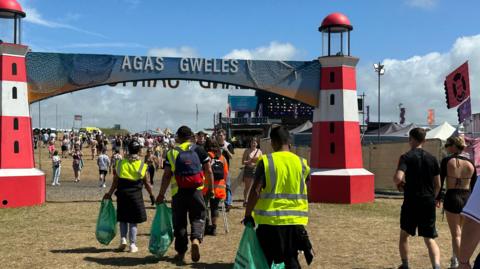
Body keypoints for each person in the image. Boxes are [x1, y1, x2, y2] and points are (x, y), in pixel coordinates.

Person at [243, 126, 312, 269]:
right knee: (291, 258)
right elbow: (307, 187)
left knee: (264, 261)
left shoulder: (267, 161)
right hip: (295, 222)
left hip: (270, 222)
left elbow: (256, 191)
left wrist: (248, 214)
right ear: (289, 142)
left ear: (273, 143)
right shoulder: (302, 163)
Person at [156, 126, 213, 264]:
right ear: (191, 137)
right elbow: (209, 170)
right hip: (196, 191)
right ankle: (195, 240)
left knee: (180, 223)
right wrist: (210, 189)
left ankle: (181, 253)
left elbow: (167, 175)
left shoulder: (172, 153)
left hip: (178, 193)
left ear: (179, 138)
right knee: (198, 217)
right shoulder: (199, 150)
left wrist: (161, 194)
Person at [393, 128, 442, 269]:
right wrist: (432, 198)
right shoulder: (432, 159)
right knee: (429, 238)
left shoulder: (406, 157)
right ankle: (436, 266)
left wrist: (400, 183)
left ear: (410, 139)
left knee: (404, 235)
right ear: (424, 140)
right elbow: (438, 185)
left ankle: (405, 265)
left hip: (411, 201)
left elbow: (398, 178)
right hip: (428, 201)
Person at [103, 140, 155, 253]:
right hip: (135, 195)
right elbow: (147, 183)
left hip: (122, 194)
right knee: (133, 220)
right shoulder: (142, 165)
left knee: (123, 218)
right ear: (139, 150)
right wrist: (152, 195)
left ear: (128, 150)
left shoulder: (121, 163)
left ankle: (122, 239)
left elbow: (115, 181)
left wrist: (109, 193)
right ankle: (132, 244)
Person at [438, 136, 477, 268]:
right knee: (461, 232)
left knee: (456, 234)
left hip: (452, 196)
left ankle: (458, 262)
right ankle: (458, 259)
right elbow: (474, 184)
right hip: (467, 197)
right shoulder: (470, 163)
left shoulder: (447, 161)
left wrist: (437, 197)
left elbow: (440, 180)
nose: (446, 148)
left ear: (454, 146)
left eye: (448, 145)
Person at [202, 138, 228, 236]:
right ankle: (214, 228)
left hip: (206, 186)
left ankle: (206, 226)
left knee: (204, 207)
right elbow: (225, 173)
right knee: (215, 207)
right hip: (219, 188)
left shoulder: (204, 157)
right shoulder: (222, 158)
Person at [458, 175, 480, 269]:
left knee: (455, 231)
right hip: (464, 194)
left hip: (453, 195)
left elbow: (473, 222)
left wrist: (463, 262)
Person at [216, 129, 234, 210]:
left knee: (227, 186)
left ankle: (228, 203)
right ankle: (216, 202)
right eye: (219, 135)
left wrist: (226, 150)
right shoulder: (215, 144)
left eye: (222, 135)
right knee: (216, 186)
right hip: (215, 169)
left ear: (224, 136)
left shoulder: (228, 145)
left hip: (225, 169)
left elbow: (231, 157)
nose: (220, 136)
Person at [241, 137, 262, 206]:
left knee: (256, 186)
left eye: (255, 143)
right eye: (252, 142)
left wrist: (257, 162)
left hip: (256, 170)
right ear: (250, 143)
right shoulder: (247, 151)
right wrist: (250, 161)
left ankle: (253, 200)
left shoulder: (259, 151)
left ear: (257, 143)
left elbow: (261, 161)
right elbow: (243, 162)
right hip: (248, 170)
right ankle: (245, 200)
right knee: (247, 187)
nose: (253, 144)